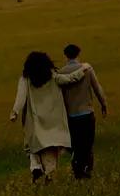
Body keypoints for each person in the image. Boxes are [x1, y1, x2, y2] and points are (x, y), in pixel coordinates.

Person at [10, 50, 87, 181]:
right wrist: (84, 69)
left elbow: (20, 97)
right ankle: (49, 175)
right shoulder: (53, 75)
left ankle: (36, 167)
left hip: (35, 121)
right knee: (51, 151)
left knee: (33, 147)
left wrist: (14, 112)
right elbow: (69, 79)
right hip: (54, 121)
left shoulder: (25, 79)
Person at [56, 43, 109, 179]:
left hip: (71, 115)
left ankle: (78, 167)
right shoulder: (87, 69)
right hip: (87, 113)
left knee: (76, 143)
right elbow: (97, 88)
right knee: (88, 143)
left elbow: (60, 97)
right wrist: (103, 104)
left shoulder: (61, 73)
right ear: (78, 54)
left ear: (65, 56)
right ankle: (86, 168)